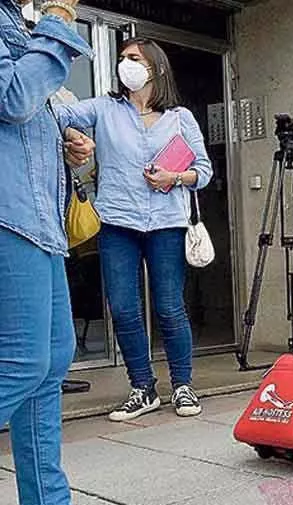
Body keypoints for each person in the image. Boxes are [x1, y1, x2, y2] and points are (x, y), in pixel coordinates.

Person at [2, 0, 139, 505]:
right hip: (8, 216)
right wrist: (58, 16)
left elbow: (22, 112)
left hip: (35, 219)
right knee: (22, 364)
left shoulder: (12, 19)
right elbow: (13, 97)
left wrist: (65, 139)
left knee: (49, 364)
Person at [57, 37, 212, 421]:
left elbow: (204, 171)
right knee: (124, 309)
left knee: (170, 307)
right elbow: (58, 115)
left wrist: (174, 177)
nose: (125, 64)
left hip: (166, 224)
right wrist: (72, 135)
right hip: (117, 224)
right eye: (123, 58)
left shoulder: (180, 117)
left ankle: (182, 385)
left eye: (134, 58)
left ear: (155, 67)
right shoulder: (104, 108)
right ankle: (143, 388)